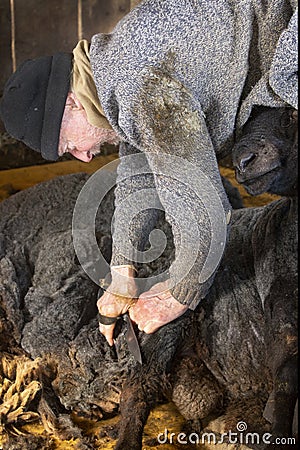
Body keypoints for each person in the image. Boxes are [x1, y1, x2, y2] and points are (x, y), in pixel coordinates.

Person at [0, 0, 297, 347]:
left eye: (69, 144)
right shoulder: (113, 72)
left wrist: (179, 294)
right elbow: (139, 171)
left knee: (271, 168)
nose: (82, 157)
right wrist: (122, 270)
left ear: (71, 103)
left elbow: (201, 206)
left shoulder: (135, 84)